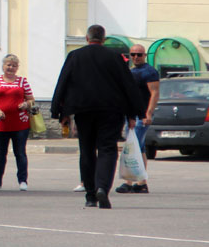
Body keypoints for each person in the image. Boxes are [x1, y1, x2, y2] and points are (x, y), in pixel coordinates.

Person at [50, 24, 143, 209]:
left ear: (87, 38)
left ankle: (90, 195)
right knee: (107, 150)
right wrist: (134, 113)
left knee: (86, 151)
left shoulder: (75, 56)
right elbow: (128, 85)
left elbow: (63, 82)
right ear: (103, 39)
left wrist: (60, 112)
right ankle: (102, 187)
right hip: (111, 110)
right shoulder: (115, 57)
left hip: (83, 111)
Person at [116, 44, 159, 194]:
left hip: (141, 116)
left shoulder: (149, 72)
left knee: (132, 146)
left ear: (145, 56)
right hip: (132, 115)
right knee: (139, 147)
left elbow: (154, 93)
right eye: (133, 54)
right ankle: (141, 182)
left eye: (139, 54)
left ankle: (129, 182)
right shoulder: (132, 71)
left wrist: (148, 114)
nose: (135, 57)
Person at [0, 54, 36, 190]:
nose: (11, 67)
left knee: (20, 152)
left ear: (17, 68)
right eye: (8, 65)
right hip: (0, 122)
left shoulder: (22, 81)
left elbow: (31, 99)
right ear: (3, 66)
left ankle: (23, 181)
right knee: (0, 153)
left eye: (14, 65)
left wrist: (26, 104)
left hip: (20, 123)